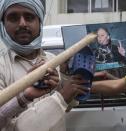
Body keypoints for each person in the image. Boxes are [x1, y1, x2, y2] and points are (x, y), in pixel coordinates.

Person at [0, 0, 87, 131]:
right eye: (13, 18)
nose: (22, 23)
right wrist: (24, 97)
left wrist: (66, 78)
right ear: (3, 25)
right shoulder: (2, 66)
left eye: (29, 17)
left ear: (39, 22)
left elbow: (67, 107)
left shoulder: (53, 60)